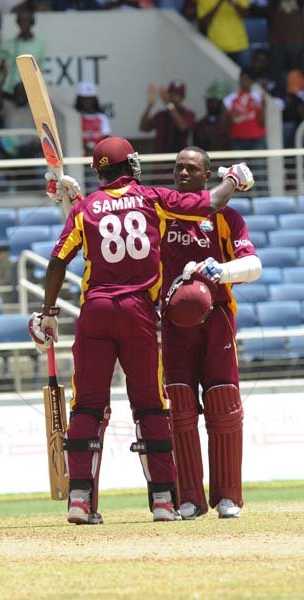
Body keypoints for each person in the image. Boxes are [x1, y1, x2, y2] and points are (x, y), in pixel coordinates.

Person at [28, 136, 254, 525]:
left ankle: (80, 500)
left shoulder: (87, 208)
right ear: (128, 166)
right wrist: (233, 179)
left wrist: (48, 311)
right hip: (140, 314)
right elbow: (212, 201)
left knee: (87, 407)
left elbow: (58, 259)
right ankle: (165, 500)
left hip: (96, 311)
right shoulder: (152, 198)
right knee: (152, 405)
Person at [160, 146, 262, 520]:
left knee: (223, 405)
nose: (183, 174)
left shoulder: (226, 216)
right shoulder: (160, 215)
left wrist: (225, 271)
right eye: (178, 168)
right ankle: (189, 497)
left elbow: (254, 264)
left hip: (216, 317)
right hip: (172, 323)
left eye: (192, 169)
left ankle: (227, 496)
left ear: (207, 177)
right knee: (181, 408)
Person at [0, 8, 45, 108]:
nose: (22, 23)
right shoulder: (7, 45)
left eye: (26, 20)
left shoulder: (40, 45)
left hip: (29, 95)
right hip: (8, 93)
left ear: (32, 22)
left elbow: (39, 71)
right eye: (20, 21)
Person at [139, 80, 196, 153]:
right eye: (172, 94)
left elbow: (183, 127)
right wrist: (150, 105)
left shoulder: (189, 114)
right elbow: (143, 128)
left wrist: (169, 104)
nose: (174, 98)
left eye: (178, 95)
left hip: (179, 159)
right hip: (160, 160)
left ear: (183, 97)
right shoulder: (161, 115)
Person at [197, 0, 251, 69]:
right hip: (215, 48)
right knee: (217, 79)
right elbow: (203, 24)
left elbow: (246, 14)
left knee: (245, 77)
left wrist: (233, 2)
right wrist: (219, 3)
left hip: (239, 45)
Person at [223, 67, 266, 151]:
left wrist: (263, 106)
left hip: (257, 140)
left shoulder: (258, 97)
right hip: (237, 140)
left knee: (258, 164)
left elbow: (262, 122)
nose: (244, 82)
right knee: (239, 164)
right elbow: (225, 125)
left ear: (251, 81)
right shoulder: (230, 99)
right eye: (242, 79)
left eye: (247, 79)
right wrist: (230, 117)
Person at [74, 81, 111, 156]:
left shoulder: (102, 117)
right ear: (79, 100)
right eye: (84, 99)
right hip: (81, 154)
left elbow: (106, 138)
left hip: (99, 154)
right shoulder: (76, 117)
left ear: (95, 99)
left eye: (90, 99)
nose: (88, 102)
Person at [193, 80, 231, 151]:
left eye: (214, 101)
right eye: (208, 101)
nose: (210, 104)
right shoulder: (200, 125)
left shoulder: (230, 124)